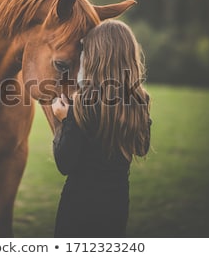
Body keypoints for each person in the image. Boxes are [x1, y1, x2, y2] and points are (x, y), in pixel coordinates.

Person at [51, 20, 152, 238]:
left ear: (96, 58)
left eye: (85, 51)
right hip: (117, 202)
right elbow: (142, 148)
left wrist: (65, 119)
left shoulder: (83, 103)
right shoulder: (139, 99)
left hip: (79, 204)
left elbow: (65, 163)